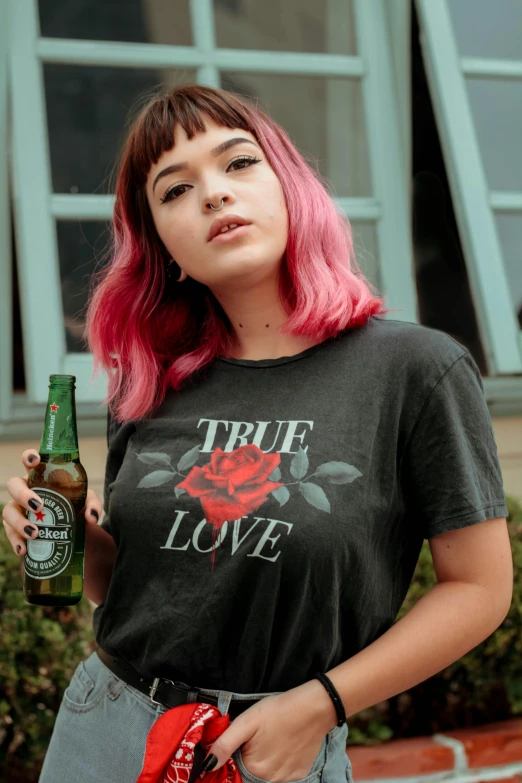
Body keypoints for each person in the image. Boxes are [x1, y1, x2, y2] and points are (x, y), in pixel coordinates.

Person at [2, 84, 513, 783]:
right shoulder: (149, 381)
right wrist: (71, 538)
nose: (212, 194)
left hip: (272, 749)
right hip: (104, 729)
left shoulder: (414, 371)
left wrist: (319, 706)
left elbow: (480, 589)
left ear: (291, 189)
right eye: (175, 189)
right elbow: (127, 586)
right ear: (166, 249)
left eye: (237, 163)